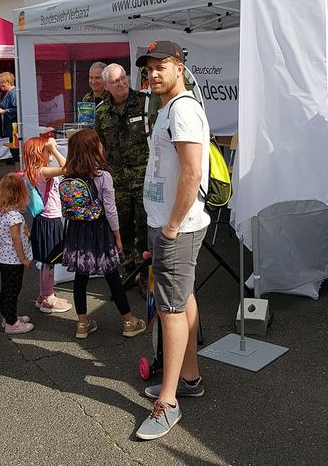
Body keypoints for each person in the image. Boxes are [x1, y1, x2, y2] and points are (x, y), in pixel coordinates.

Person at [134, 41, 210, 441]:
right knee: (182, 299)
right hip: (169, 222)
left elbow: (192, 172)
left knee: (170, 309)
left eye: (161, 66)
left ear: (179, 67)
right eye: (149, 68)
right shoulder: (169, 108)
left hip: (175, 226)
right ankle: (190, 378)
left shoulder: (181, 110)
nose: (154, 74)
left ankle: (169, 401)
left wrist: (171, 227)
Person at [61, 128, 146, 340]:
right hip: (99, 230)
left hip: (77, 231)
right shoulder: (103, 176)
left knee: (80, 277)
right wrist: (117, 236)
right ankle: (128, 321)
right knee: (111, 275)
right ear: (93, 148)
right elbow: (110, 209)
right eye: (98, 142)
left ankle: (82, 324)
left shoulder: (69, 174)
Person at [95, 63, 150, 277]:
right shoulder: (102, 112)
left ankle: (145, 273)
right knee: (122, 225)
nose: (121, 84)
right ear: (107, 86)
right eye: (115, 81)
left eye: (123, 78)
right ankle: (129, 270)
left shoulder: (144, 103)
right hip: (117, 180)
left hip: (143, 176)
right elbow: (98, 144)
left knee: (145, 225)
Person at [23, 136, 71, 314]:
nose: (50, 152)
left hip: (42, 220)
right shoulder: (42, 171)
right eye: (47, 150)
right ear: (38, 153)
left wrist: (50, 145)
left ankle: (43, 295)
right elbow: (67, 168)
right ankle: (49, 299)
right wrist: (56, 150)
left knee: (45, 261)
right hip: (50, 220)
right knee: (49, 260)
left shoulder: (32, 171)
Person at [0, 173, 34, 334]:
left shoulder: (2, 210)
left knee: (7, 289)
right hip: (13, 260)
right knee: (13, 290)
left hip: (4, 257)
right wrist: (23, 258)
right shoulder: (15, 216)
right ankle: (12, 323)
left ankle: (8, 316)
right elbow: (15, 237)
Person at [0, 71, 18, 163]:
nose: (0, 84)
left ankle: (18, 168)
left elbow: (16, 109)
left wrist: (4, 111)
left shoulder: (13, 93)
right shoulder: (8, 93)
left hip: (14, 126)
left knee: (15, 148)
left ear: (8, 82)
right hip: (10, 126)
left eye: (1, 82)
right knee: (13, 147)